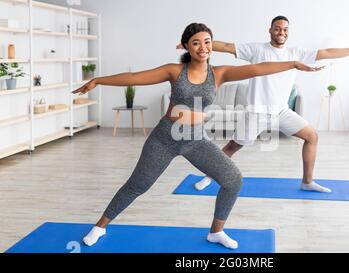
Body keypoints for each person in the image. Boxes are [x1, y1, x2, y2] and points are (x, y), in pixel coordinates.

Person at [72, 23, 324, 249]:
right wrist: (98, 80)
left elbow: (257, 69)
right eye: (196, 42)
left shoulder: (220, 73)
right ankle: (100, 226)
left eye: (207, 42)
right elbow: (135, 78)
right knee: (139, 185)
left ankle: (216, 231)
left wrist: (292, 63)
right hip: (165, 138)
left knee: (233, 180)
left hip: (195, 140)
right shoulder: (174, 71)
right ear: (186, 46)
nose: (203, 47)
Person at [181, 16, 349, 193]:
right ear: (270, 30)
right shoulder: (257, 49)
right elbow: (225, 47)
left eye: (285, 29)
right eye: (277, 28)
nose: (281, 32)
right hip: (257, 112)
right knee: (233, 146)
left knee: (312, 136)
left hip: (282, 111)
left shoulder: (296, 52)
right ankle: (208, 176)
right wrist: (194, 45)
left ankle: (307, 182)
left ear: (288, 32)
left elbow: (327, 52)